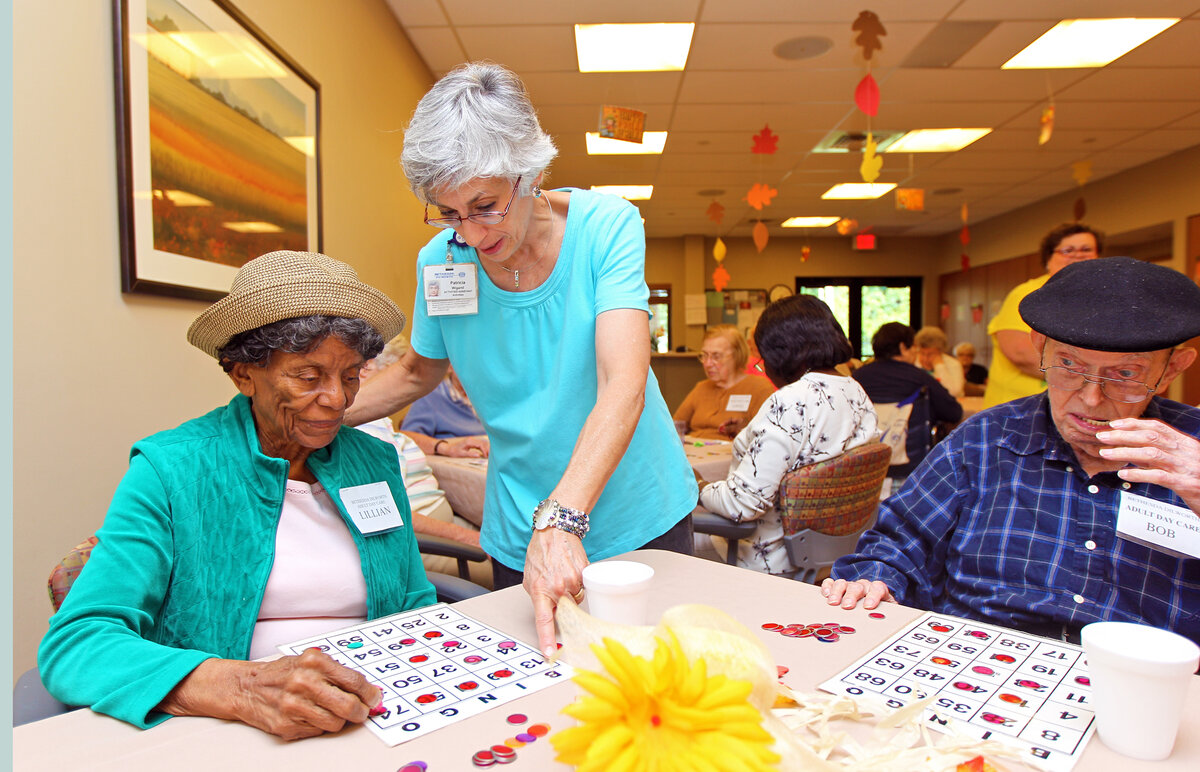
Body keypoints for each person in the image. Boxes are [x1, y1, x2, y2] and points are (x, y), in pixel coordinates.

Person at [346, 62, 697, 658]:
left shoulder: (606, 227)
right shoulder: (442, 261)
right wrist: (317, 415)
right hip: (522, 526)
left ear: (531, 171)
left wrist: (562, 520)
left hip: (638, 512)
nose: (473, 235)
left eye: (485, 205)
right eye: (449, 213)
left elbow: (624, 382)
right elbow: (416, 371)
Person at [39, 251, 436, 738]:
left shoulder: (372, 461)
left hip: (377, 712)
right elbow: (78, 644)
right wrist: (242, 688)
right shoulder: (170, 469)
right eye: (308, 376)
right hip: (233, 725)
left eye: (351, 375)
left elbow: (414, 603)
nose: (337, 399)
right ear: (242, 373)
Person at [824, 258, 1200, 645]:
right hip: (978, 657)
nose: (1090, 399)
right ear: (1040, 348)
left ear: (1172, 370)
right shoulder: (985, 438)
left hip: (1147, 679)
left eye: (1124, 375)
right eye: (1068, 365)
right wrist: (876, 579)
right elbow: (900, 539)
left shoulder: (1194, 451)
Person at [698, 296, 877, 575]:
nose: (764, 369)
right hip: (835, 552)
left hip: (768, 560)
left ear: (781, 355)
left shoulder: (790, 401)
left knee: (674, 539)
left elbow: (743, 504)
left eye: (763, 360)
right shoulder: (856, 392)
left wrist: (698, 487)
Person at [355, 335, 492, 588]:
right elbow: (390, 513)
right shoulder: (365, 427)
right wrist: (469, 537)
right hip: (424, 543)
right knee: (517, 565)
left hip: (442, 526)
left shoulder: (378, 421)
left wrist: (445, 447)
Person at [983, 223, 1104, 407]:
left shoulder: (1101, 299)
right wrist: (1087, 377)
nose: (1078, 255)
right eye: (1067, 250)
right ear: (1048, 258)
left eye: (1086, 249)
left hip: (1078, 407)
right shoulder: (1029, 294)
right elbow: (1020, 353)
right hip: (1019, 410)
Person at [852, 323, 963, 477]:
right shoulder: (920, 378)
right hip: (909, 470)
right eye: (914, 348)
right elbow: (953, 412)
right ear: (903, 347)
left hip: (864, 467)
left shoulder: (857, 378)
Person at [674, 325, 776, 439]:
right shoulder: (701, 388)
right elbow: (675, 426)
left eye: (716, 356)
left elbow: (767, 435)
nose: (707, 363)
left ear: (737, 356)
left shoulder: (759, 388)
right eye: (704, 355)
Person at [400, 364, 490, 458]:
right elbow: (407, 438)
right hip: (457, 461)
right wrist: (446, 448)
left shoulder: (487, 396)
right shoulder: (431, 396)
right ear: (450, 366)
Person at [914, 325, 965, 398]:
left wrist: (940, 366)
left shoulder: (953, 364)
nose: (925, 358)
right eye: (922, 353)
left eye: (930, 354)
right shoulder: (913, 362)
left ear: (940, 352)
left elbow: (954, 392)